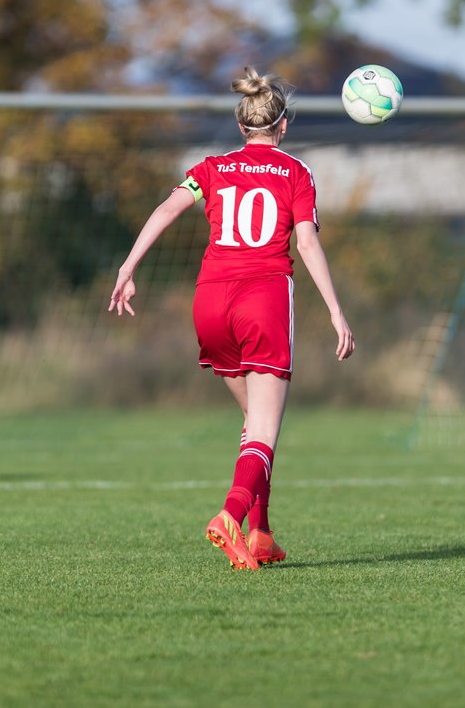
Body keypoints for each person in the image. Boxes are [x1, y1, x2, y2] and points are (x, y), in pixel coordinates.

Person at [109, 66, 355, 569]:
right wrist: (335, 311)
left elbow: (164, 209)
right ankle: (230, 515)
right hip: (262, 299)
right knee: (264, 429)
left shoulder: (213, 167)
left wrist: (127, 268)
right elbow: (305, 241)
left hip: (211, 301)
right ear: (282, 126)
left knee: (254, 425)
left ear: (242, 126)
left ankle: (262, 533)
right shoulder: (296, 172)